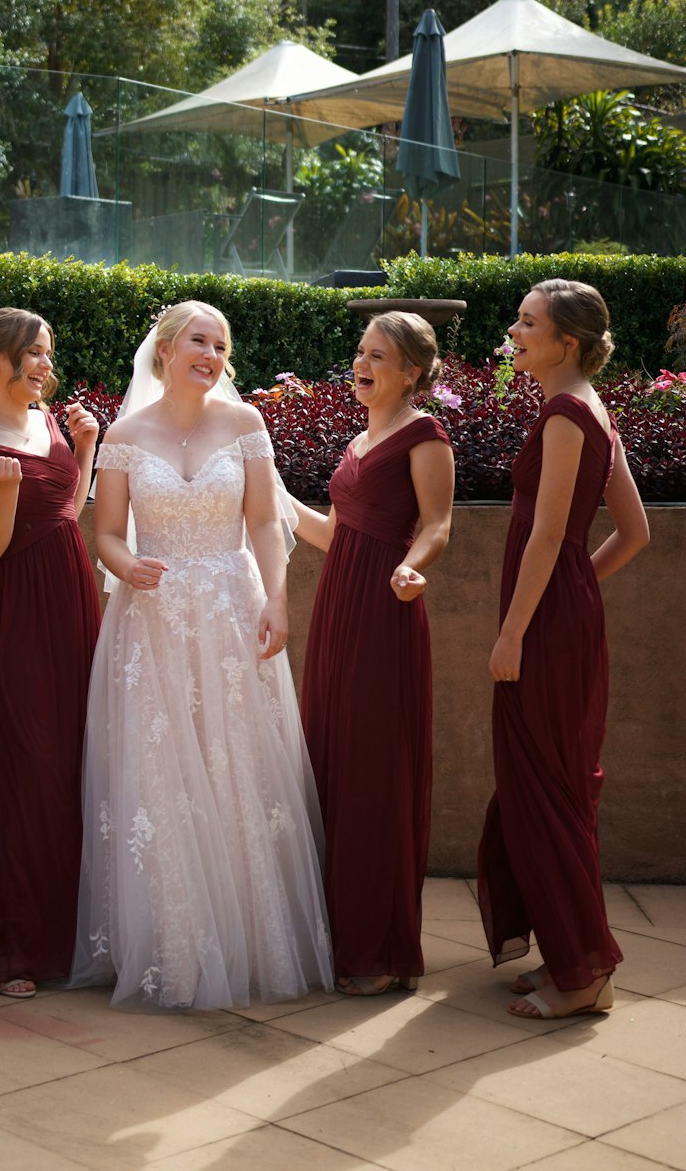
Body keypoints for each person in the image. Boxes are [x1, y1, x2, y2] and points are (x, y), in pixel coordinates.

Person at [70, 300, 332, 1009]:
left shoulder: (246, 425)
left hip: (228, 609)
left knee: (235, 764)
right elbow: (110, 534)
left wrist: (276, 599)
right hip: (151, 619)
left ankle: (251, 937)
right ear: (164, 349)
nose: (211, 353)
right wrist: (126, 567)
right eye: (198, 339)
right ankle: (171, 945)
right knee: (160, 772)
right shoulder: (124, 435)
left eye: (220, 344)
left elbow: (265, 524)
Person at [479, 279, 649, 1021]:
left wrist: (518, 629)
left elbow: (550, 536)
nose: (514, 331)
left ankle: (584, 976)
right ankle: (567, 948)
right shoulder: (592, 408)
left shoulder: (562, 414)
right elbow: (634, 534)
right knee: (554, 783)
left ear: (566, 342)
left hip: (544, 629)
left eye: (528, 322)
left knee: (544, 788)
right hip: (565, 617)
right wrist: (574, 592)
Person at [291, 313, 454, 997]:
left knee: (372, 773)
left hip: (386, 612)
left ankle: (381, 948)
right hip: (337, 608)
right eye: (360, 351)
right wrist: (268, 492)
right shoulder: (360, 438)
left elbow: (438, 524)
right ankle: (339, 937)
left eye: (377, 355)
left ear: (411, 372)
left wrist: (413, 568)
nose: (361, 363)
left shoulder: (425, 435)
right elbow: (336, 535)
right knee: (331, 761)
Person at [0, 308, 100, 999]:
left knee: (75, 759)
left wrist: (86, 449)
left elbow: (67, 509)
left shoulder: (47, 423)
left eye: (47, 353)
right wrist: (4, 490)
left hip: (72, 599)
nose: (44, 365)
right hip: (18, 613)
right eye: (32, 354)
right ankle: (10, 948)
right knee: (24, 766)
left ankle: (69, 938)